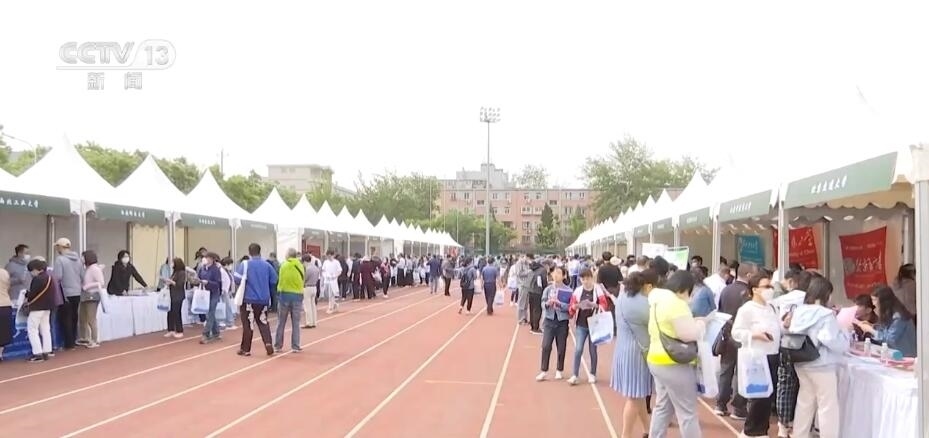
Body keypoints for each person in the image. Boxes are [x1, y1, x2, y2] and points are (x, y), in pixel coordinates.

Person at [785, 276, 848, 438]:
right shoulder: (826, 315)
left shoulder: (799, 311)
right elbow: (832, 341)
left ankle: (799, 434)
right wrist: (845, 333)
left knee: (805, 401)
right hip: (822, 364)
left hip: (801, 361)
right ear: (825, 294)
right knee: (827, 406)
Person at [647, 270, 705, 438]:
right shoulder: (676, 304)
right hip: (674, 362)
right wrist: (700, 325)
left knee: (663, 406)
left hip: (656, 359)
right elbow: (687, 334)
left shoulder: (657, 300)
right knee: (687, 412)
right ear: (684, 289)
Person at [730, 272, 780, 438]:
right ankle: (751, 430)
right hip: (757, 357)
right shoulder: (747, 309)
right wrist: (755, 334)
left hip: (772, 354)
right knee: (758, 396)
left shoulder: (772, 307)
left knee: (768, 395)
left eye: (771, 286)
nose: (770, 289)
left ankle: (762, 429)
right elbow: (736, 332)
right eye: (766, 286)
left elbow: (777, 327)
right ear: (755, 290)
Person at [610, 270, 657, 438]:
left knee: (637, 395)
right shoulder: (644, 304)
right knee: (635, 397)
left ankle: (647, 430)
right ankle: (626, 435)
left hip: (623, 350)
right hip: (637, 354)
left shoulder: (623, 297)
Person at [715, 262, 758, 420]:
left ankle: (720, 403)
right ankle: (738, 407)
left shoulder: (726, 290)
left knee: (726, 370)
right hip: (742, 335)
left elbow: (720, 311)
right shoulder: (748, 293)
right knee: (741, 372)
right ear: (749, 275)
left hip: (727, 335)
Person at [235, 244, 278, 356]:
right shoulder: (267, 265)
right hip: (263, 299)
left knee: (248, 324)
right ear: (260, 251)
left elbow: (237, 279)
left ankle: (246, 349)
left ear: (249, 252)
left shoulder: (245, 264)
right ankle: (268, 343)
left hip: (248, 299)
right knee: (263, 322)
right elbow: (274, 280)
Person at [568, 268, 609, 385]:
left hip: (594, 325)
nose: (586, 281)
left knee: (592, 350)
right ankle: (575, 374)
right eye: (583, 279)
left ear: (592, 278)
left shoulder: (597, 290)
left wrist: (595, 305)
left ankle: (592, 373)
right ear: (580, 280)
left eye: (588, 278)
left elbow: (604, 305)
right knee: (578, 349)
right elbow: (571, 307)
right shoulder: (577, 291)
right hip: (581, 324)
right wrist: (575, 307)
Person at [854, 285, 917, 358]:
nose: (873, 304)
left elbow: (889, 339)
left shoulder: (899, 317)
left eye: (874, 300)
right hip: (895, 354)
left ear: (883, 301)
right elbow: (884, 331)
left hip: (906, 356)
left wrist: (871, 330)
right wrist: (872, 326)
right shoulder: (889, 314)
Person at [537, 266, 571, 381]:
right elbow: (542, 302)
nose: (556, 275)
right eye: (554, 273)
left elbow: (570, 307)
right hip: (549, 320)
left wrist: (560, 304)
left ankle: (559, 370)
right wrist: (547, 304)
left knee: (561, 347)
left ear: (564, 276)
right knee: (546, 346)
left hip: (562, 321)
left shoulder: (568, 290)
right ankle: (543, 370)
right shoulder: (548, 289)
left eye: (559, 273)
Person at [53, 238, 83, 350]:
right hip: (77, 292)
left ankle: (68, 343)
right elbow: (82, 275)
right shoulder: (78, 260)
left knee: (65, 318)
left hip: (65, 293)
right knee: (74, 316)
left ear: (60, 247)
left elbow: (58, 277)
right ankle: (73, 340)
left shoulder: (60, 260)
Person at [25, 259, 56, 362]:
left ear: (35, 269)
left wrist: (26, 294)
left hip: (37, 307)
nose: (31, 273)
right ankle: (47, 351)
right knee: (45, 329)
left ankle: (37, 353)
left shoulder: (37, 279)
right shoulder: (50, 277)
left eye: (31, 271)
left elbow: (32, 294)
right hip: (47, 307)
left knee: (32, 329)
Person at [275, 248, 305, 353]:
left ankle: (278, 345)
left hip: (284, 295)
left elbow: (280, 280)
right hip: (297, 295)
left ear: (287, 255)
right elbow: (303, 279)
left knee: (281, 322)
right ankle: (295, 346)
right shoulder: (300, 265)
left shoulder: (283, 265)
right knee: (296, 323)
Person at [164, 258, 196, 338]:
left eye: (173, 263)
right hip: (172, 295)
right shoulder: (174, 272)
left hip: (178, 295)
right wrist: (168, 282)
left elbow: (180, 284)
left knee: (177, 313)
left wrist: (171, 282)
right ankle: (171, 329)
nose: (172, 264)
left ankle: (179, 330)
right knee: (170, 312)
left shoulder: (182, 273)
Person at [77, 250, 104, 348]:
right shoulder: (87, 268)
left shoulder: (94, 269)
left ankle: (94, 340)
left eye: (83, 257)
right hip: (85, 295)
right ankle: (85, 337)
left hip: (92, 295)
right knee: (82, 317)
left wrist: (87, 286)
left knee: (91, 319)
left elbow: (101, 282)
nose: (81, 259)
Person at [197, 252, 223, 344]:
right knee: (210, 313)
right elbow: (199, 278)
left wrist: (208, 282)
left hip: (214, 293)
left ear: (212, 259)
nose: (205, 259)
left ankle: (206, 334)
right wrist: (196, 280)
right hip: (205, 293)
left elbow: (217, 284)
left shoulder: (215, 270)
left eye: (207, 258)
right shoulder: (202, 268)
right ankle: (216, 332)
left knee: (210, 313)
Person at [528, 258, 548, 334]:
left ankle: (532, 326)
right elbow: (544, 281)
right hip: (538, 292)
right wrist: (545, 289)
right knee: (537, 309)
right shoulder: (542, 270)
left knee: (532, 309)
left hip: (531, 290)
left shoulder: (533, 269)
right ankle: (535, 328)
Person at [219, 258, 237, 330]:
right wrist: (224, 290)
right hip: (224, 291)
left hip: (227, 291)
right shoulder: (222, 271)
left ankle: (228, 322)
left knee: (228, 307)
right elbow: (223, 281)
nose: (231, 266)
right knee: (227, 307)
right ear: (226, 264)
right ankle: (229, 323)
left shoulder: (227, 271)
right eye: (230, 264)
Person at [302, 254, 320, 328]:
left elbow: (304, 279)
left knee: (307, 306)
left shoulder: (307, 269)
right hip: (314, 287)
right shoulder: (316, 268)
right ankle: (314, 322)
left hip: (307, 287)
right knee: (313, 306)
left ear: (305, 261)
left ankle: (309, 322)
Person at [0, 267, 11, 359]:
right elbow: (8, 286)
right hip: (5, 303)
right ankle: (0, 354)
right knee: (3, 332)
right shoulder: (4, 272)